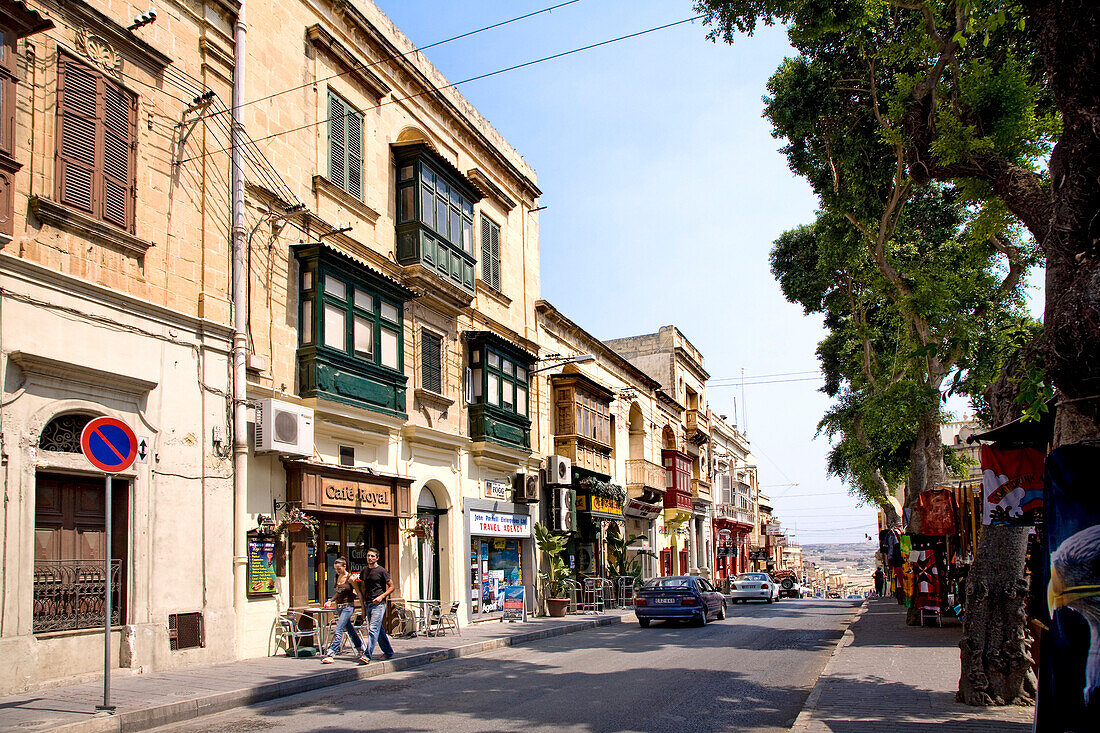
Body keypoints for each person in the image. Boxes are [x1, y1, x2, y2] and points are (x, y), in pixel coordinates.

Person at [321, 557, 368, 665]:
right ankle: (361, 649)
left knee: (338, 629)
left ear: (344, 566)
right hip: (339, 607)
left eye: (339, 569)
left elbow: (359, 593)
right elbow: (338, 592)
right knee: (350, 630)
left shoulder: (350, 578)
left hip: (348, 607)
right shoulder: (337, 577)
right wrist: (330, 601)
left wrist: (363, 609)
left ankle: (331, 653)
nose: (337, 571)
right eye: (335, 569)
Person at [359, 547, 395, 663]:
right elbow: (363, 587)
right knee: (378, 629)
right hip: (369, 603)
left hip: (379, 604)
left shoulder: (382, 571)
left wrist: (381, 597)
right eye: (368, 556)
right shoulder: (364, 571)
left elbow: (392, 587)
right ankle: (388, 652)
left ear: (377, 558)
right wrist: (363, 605)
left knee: (373, 629)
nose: (370, 558)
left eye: (372, 556)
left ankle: (367, 655)